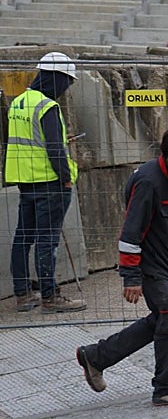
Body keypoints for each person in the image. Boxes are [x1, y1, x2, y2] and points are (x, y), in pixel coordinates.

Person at [74, 125, 168, 408]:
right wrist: (131, 277)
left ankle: (96, 356)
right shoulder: (149, 182)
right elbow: (130, 233)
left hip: (165, 264)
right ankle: (167, 387)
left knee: (162, 319)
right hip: (151, 266)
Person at [6, 51, 87, 313]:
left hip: (25, 181)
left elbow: (30, 139)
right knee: (47, 240)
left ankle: (23, 294)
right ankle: (50, 297)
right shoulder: (47, 106)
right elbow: (54, 149)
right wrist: (66, 178)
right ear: (56, 78)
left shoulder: (19, 102)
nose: (65, 89)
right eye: (66, 83)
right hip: (50, 182)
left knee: (23, 238)